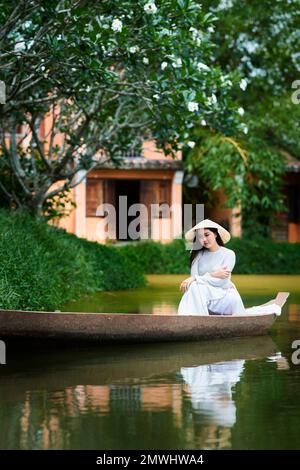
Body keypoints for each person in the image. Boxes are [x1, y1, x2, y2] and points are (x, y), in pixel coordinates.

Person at [178, 219, 246, 316]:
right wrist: (213, 275)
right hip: (204, 297)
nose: (204, 239)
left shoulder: (228, 254)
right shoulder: (197, 255)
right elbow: (193, 283)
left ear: (215, 234)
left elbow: (222, 283)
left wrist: (197, 278)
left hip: (224, 297)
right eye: (200, 237)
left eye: (207, 234)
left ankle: (194, 319)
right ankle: (189, 319)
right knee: (193, 287)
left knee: (195, 286)